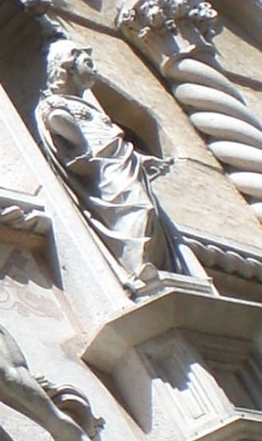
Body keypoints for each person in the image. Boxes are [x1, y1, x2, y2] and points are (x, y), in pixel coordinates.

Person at [35, 36, 175, 281]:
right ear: (67, 67)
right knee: (139, 209)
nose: (94, 69)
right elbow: (55, 118)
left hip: (120, 163)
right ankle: (137, 266)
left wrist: (142, 160)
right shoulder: (56, 102)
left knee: (147, 209)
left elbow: (115, 144)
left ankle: (144, 264)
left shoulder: (85, 106)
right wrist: (81, 144)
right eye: (87, 62)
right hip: (103, 168)